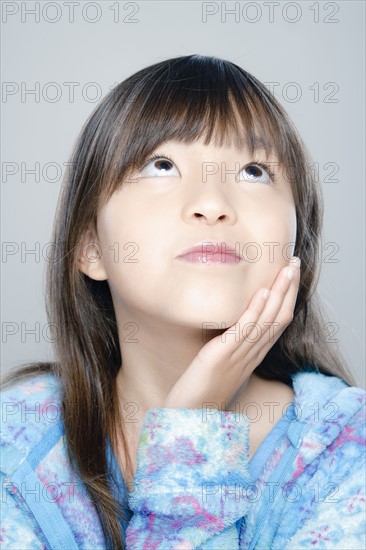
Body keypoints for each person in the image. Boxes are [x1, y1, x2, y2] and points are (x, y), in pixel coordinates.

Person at [1, 54, 365, 550]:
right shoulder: (15, 444)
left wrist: (193, 433)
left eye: (254, 171)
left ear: (296, 243)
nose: (212, 205)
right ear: (90, 246)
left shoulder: (348, 449)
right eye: (162, 165)